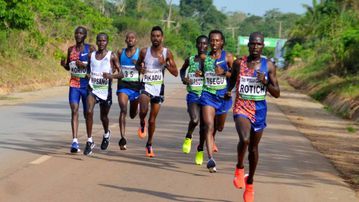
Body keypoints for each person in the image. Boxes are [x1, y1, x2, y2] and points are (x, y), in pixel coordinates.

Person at [228, 32, 280, 202]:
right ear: (248, 45)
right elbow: (231, 81)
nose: (255, 47)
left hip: (259, 110)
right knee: (244, 139)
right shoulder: (239, 63)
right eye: (252, 44)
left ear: (263, 46)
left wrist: (265, 82)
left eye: (259, 44)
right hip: (242, 107)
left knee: (253, 149)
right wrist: (228, 91)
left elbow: (277, 93)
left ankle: (250, 183)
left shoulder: (268, 65)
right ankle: (239, 168)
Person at [136, 26, 178, 157]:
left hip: (158, 87)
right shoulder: (144, 52)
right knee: (143, 110)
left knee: (153, 120)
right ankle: (142, 123)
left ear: (162, 37)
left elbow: (175, 73)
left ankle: (149, 144)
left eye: (158, 36)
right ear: (150, 37)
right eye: (153, 36)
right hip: (146, 84)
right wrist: (140, 69)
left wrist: (164, 64)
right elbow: (137, 65)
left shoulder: (167, 53)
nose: (156, 38)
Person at [199, 30, 233, 172]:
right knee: (208, 125)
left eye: (217, 40)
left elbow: (235, 76)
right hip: (208, 95)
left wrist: (224, 73)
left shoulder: (228, 57)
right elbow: (202, 73)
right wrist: (201, 74)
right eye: (212, 40)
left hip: (223, 97)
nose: (214, 43)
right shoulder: (204, 58)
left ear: (222, 42)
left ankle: (212, 139)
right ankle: (211, 159)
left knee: (219, 127)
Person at [84, 33, 122, 155]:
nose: (101, 43)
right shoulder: (91, 55)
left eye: (103, 41)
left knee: (103, 117)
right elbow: (89, 69)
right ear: (96, 41)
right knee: (88, 111)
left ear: (107, 42)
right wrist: (88, 74)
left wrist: (111, 76)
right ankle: (89, 141)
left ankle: (106, 134)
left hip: (105, 91)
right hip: (93, 88)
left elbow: (122, 74)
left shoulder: (112, 56)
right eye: (99, 41)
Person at [60, 26, 95, 153]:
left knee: (87, 114)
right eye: (77, 33)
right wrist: (64, 65)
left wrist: (84, 65)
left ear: (85, 36)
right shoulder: (71, 49)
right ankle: (74, 141)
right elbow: (70, 67)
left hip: (87, 86)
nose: (78, 35)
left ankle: (89, 139)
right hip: (74, 84)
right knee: (74, 110)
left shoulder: (90, 48)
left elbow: (95, 66)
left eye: (81, 33)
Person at [180, 35, 208, 158]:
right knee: (195, 120)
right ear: (196, 45)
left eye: (204, 44)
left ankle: (200, 149)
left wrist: (203, 75)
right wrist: (184, 79)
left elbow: (216, 77)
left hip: (207, 95)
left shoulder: (210, 61)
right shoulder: (191, 59)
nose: (202, 46)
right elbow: (182, 70)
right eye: (199, 43)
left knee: (204, 125)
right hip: (193, 94)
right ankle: (188, 136)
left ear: (208, 46)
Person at [116, 32, 141, 150]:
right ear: (125, 40)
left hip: (136, 87)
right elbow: (115, 66)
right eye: (128, 38)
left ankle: (138, 107)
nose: (130, 40)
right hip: (123, 85)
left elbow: (145, 70)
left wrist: (139, 66)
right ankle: (123, 138)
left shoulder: (140, 53)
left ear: (136, 40)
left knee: (132, 114)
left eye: (132, 38)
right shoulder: (121, 53)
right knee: (123, 109)